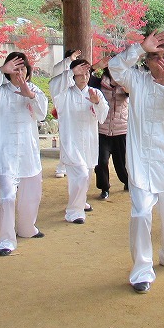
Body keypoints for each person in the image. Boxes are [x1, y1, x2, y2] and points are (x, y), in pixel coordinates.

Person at [108, 30, 164, 294]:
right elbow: (115, 67)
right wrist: (139, 48)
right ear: (147, 60)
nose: (161, 61)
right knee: (141, 214)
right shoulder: (136, 80)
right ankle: (142, 270)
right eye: (154, 56)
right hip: (140, 164)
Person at [0, 52, 48, 256]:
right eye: (14, 68)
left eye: (22, 69)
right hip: (5, 153)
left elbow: (42, 114)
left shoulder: (34, 90)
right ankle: (6, 240)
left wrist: (29, 95)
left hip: (28, 152)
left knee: (32, 194)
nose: (19, 73)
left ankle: (27, 228)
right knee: (7, 196)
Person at [49, 51, 108, 224]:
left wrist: (97, 102)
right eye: (80, 74)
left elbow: (103, 115)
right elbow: (53, 85)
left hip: (89, 141)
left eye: (87, 73)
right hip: (71, 141)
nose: (84, 77)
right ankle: (74, 212)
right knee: (80, 174)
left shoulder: (95, 92)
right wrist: (70, 71)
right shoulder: (64, 94)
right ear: (73, 75)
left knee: (86, 174)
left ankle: (81, 201)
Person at [89, 64, 129, 199]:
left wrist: (126, 88)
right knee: (101, 162)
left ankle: (127, 181)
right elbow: (85, 76)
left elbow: (135, 93)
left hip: (121, 130)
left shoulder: (126, 83)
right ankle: (104, 188)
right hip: (102, 130)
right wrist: (96, 66)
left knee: (122, 163)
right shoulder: (98, 83)